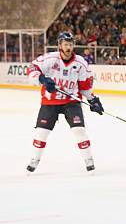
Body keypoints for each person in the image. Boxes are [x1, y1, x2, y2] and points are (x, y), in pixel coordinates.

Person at [25, 32, 104, 173]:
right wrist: (42, 79)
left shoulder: (80, 63)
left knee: (79, 130)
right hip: (50, 101)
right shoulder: (50, 58)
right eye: (66, 44)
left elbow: (85, 85)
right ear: (60, 45)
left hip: (71, 101)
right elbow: (31, 69)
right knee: (41, 133)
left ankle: (89, 161)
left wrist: (92, 99)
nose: (68, 47)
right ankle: (34, 160)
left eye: (70, 44)